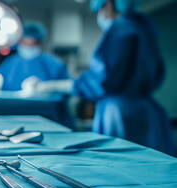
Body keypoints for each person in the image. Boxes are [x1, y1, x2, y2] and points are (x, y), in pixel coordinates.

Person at [22, 0, 175, 156]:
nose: (100, 16)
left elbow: (101, 81)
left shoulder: (120, 29)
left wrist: (49, 86)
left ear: (108, 4)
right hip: (150, 113)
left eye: (98, 10)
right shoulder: (144, 27)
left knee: (121, 171)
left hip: (121, 115)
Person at [0, 21, 70, 91]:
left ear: (40, 43)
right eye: (25, 43)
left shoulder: (54, 65)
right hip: (11, 108)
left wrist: (45, 87)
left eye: (32, 43)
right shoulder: (11, 62)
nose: (28, 47)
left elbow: (68, 88)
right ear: (19, 42)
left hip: (44, 110)